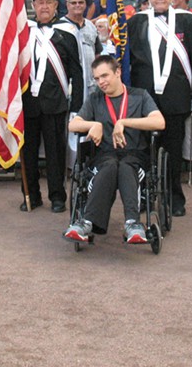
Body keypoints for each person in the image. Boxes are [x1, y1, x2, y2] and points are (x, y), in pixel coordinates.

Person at [126, 0, 192, 216]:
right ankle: (145, 195)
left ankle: (175, 197)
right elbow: (129, 61)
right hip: (145, 100)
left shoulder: (187, 21)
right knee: (143, 152)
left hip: (176, 98)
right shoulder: (136, 22)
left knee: (173, 152)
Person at [64, 55, 166, 244]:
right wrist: (93, 125)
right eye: (96, 78)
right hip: (105, 156)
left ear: (118, 72)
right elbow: (73, 125)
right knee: (110, 166)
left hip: (134, 156)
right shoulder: (95, 99)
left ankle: (132, 224)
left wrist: (124, 122)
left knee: (126, 166)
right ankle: (87, 222)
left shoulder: (140, 95)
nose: (100, 82)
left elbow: (159, 122)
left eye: (104, 76)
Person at [20, 0, 84, 212]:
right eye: (39, 2)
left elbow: (78, 74)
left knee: (56, 155)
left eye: (48, 2)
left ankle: (57, 196)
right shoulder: (24, 32)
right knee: (28, 154)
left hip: (56, 103)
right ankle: (30, 195)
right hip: (28, 104)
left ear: (57, 4)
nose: (44, 6)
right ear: (33, 5)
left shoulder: (68, 32)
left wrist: (77, 108)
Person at [58, 0, 102, 97]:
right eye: (73, 3)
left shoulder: (91, 26)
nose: (77, 5)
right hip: (69, 85)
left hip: (91, 85)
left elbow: (97, 54)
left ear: (85, 4)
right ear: (67, 5)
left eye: (81, 2)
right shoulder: (59, 28)